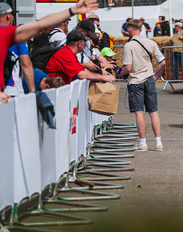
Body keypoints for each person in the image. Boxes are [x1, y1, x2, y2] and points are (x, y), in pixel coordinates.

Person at [0, 0, 98, 90]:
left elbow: (40, 24)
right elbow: (26, 65)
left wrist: (72, 11)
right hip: (7, 92)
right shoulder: (8, 34)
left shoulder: (1, 34)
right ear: (8, 17)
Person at [120, 18, 166, 152]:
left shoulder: (129, 45)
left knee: (139, 112)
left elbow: (128, 68)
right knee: (153, 112)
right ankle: (158, 142)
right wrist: (155, 74)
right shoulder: (151, 43)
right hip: (149, 79)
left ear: (130, 29)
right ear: (141, 29)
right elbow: (162, 62)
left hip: (135, 81)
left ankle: (143, 143)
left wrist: (121, 73)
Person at [46, 30, 115, 85]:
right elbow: (81, 75)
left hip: (58, 88)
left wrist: (101, 73)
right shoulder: (65, 53)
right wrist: (103, 77)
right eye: (84, 42)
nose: (85, 44)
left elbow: (81, 71)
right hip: (54, 90)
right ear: (79, 44)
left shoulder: (70, 53)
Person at [0, 2, 35, 96]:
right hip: (11, 90)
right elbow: (26, 64)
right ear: (8, 17)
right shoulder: (16, 35)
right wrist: (32, 90)